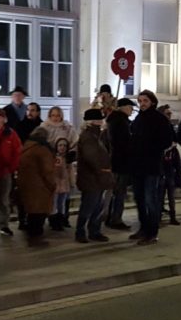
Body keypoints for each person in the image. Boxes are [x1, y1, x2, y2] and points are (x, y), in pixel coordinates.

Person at [130, 90, 175, 245]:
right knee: (139, 199)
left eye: (145, 101)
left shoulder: (160, 119)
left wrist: (150, 147)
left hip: (151, 165)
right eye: (140, 101)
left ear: (152, 102)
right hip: (137, 165)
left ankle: (152, 232)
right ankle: (143, 228)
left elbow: (167, 141)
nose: (142, 104)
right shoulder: (138, 118)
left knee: (151, 200)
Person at [74, 109, 113, 244]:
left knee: (97, 205)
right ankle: (81, 231)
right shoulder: (89, 137)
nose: (102, 121)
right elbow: (91, 157)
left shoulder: (95, 135)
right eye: (100, 119)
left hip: (96, 177)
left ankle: (94, 231)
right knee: (89, 206)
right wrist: (101, 170)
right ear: (95, 121)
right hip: (92, 178)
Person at [18, 128, 56, 247]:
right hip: (40, 187)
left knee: (32, 214)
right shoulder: (41, 150)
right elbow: (47, 171)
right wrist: (52, 185)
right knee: (38, 215)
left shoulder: (27, 147)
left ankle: (32, 236)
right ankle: (36, 239)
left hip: (28, 185)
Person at [0, 108, 22, 237]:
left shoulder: (11, 134)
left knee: (4, 199)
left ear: (4, 119)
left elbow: (17, 151)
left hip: (4, 171)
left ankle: (4, 224)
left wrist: (11, 168)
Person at [105, 98, 134, 231]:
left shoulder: (114, 120)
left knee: (115, 192)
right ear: (123, 107)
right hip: (121, 162)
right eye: (130, 106)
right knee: (119, 192)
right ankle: (115, 218)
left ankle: (109, 217)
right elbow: (124, 143)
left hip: (116, 160)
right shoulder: (121, 122)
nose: (132, 109)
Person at [158, 105, 181, 226]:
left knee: (171, 194)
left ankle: (173, 215)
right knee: (160, 193)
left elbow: (175, 140)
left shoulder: (170, 127)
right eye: (167, 114)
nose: (170, 116)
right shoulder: (158, 127)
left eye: (170, 114)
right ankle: (158, 215)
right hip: (161, 165)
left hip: (170, 164)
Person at [51, 138, 72, 231]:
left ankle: (61, 221)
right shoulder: (56, 158)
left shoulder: (68, 159)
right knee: (54, 204)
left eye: (64, 145)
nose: (62, 147)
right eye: (60, 145)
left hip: (65, 184)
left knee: (62, 204)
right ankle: (54, 223)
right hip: (56, 184)